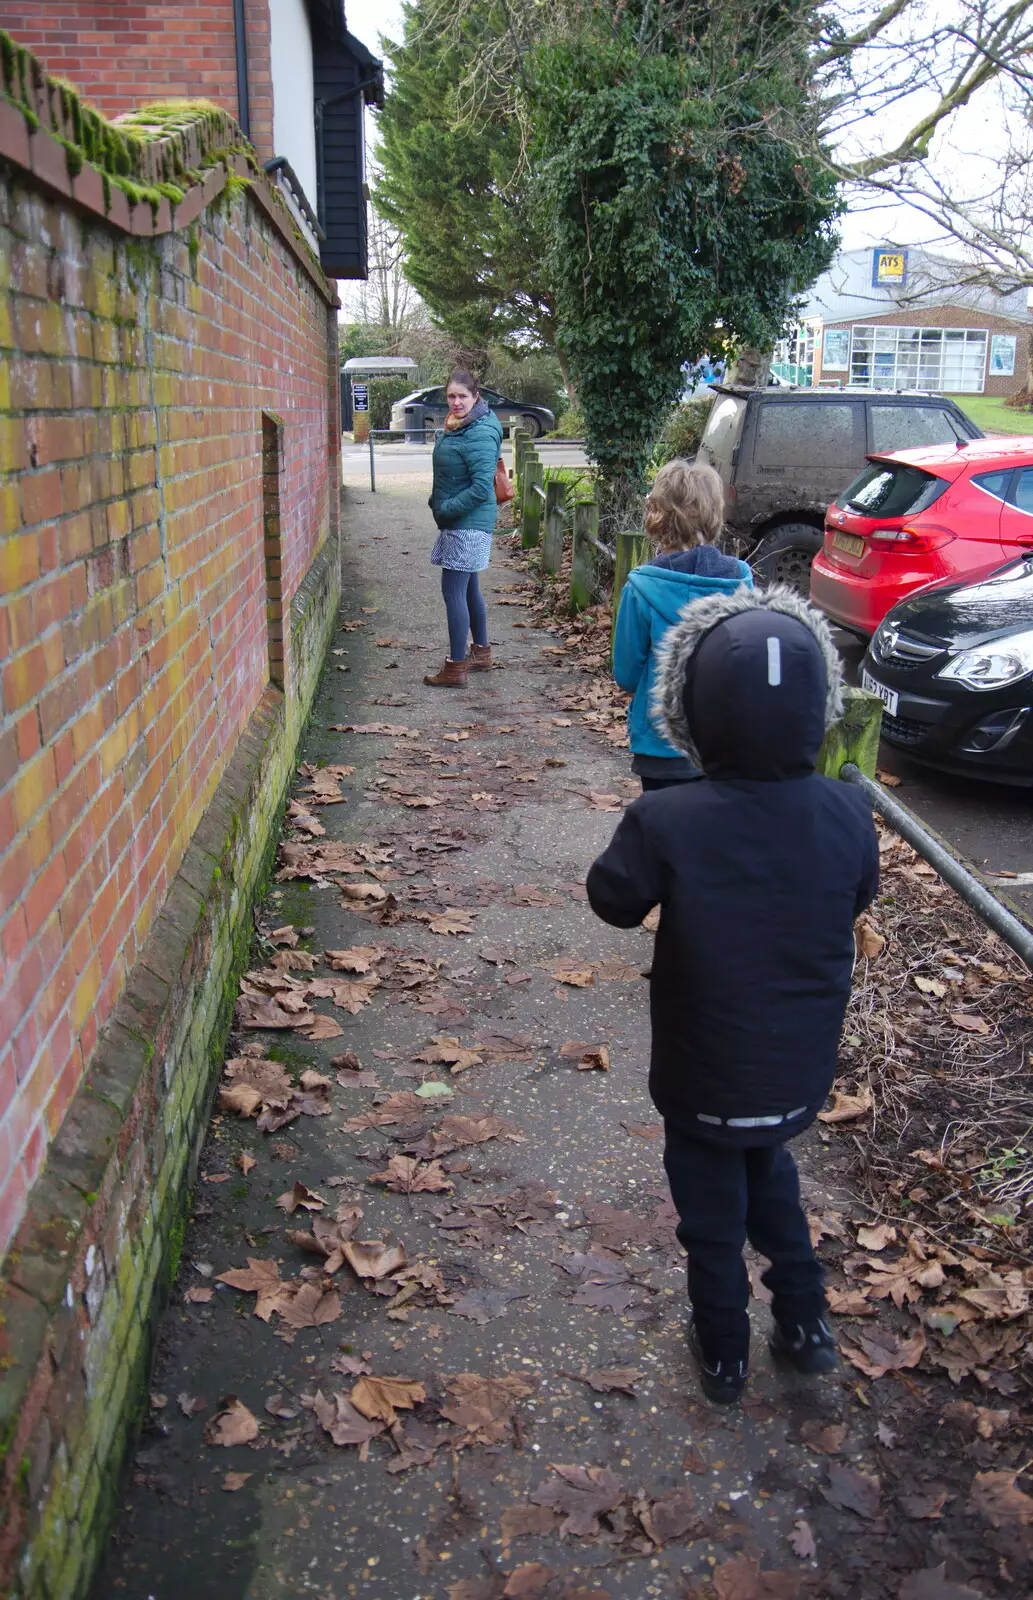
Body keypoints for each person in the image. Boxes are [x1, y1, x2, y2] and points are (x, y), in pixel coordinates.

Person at [586, 586, 879, 1404]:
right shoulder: (846, 811)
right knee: (769, 1167)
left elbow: (611, 901)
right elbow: (856, 895)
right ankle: (805, 1321)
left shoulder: (670, 820)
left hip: (701, 1067)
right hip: (793, 1068)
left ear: (690, 710)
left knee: (710, 1213)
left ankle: (721, 1352)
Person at [612, 459, 752, 791]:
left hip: (662, 743)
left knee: (664, 834)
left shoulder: (642, 588)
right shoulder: (742, 582)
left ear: (658, 515)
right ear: (715, 513)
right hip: (724, 741)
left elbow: (627, 674)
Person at [424, 370, 504, 687]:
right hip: (462, 523)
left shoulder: (481, 433)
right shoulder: (462, 425)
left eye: (462, 396)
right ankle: (481, 652)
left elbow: (482, 487)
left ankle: (456, 667)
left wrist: (445, 508)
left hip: (466, 523)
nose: (456, 402)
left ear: (476, 397)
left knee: (453, 592)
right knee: (469, 588)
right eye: (451, 396)